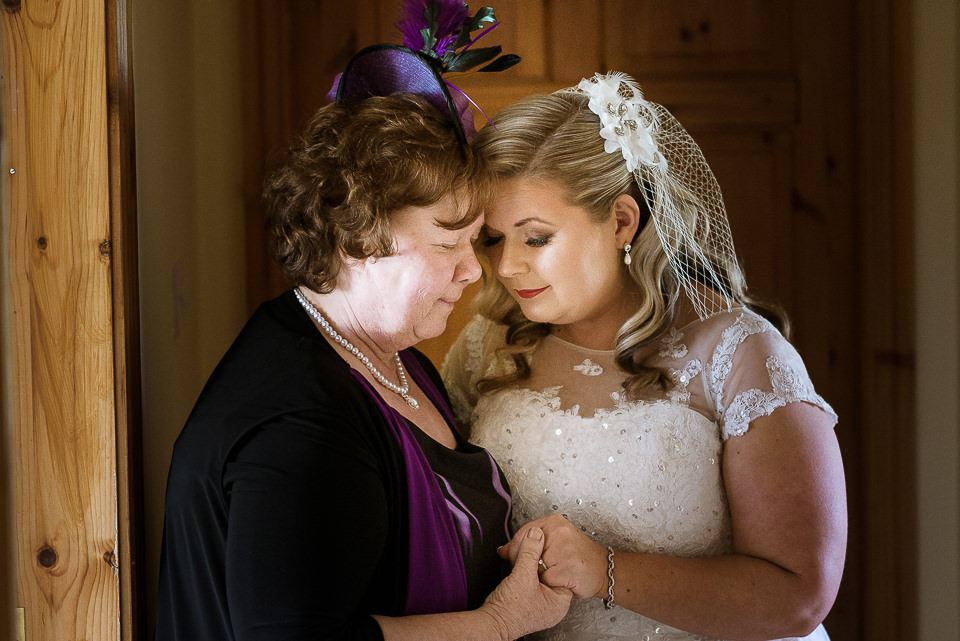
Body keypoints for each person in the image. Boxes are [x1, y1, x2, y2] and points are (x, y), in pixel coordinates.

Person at [153, 5, 571, 640]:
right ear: (354, 239)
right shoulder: (300, 420)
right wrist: (500, 622)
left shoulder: (392, 358)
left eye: (471, 243)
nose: (475, 273)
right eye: (446, 244)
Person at [442, 71, 847, 641]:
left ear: (621, 221)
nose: (506, 266)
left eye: (535, 238)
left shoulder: (739, 355)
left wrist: (606, 571)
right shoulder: (486, 347)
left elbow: (799, 595)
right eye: (493, 239)